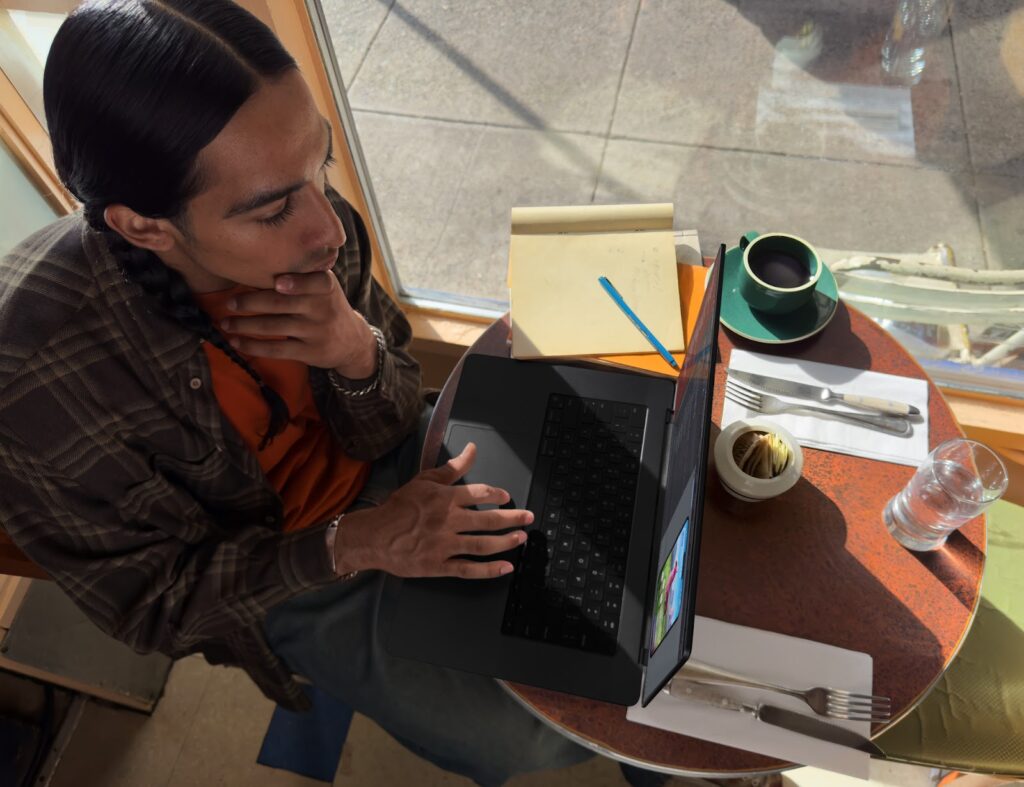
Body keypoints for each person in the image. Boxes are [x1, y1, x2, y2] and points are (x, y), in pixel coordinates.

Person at [0, 2, 600, 785]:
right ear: (145, 227)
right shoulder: (37, 380)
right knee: (520, 738)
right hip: (282, 563)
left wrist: (355, 351)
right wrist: (362, 540)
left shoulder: (308, 223)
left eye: (317, 170)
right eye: (274, 207)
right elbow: (158, 605)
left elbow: (390, 419)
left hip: (388, 471)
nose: (330, 231)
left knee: (602, 566)